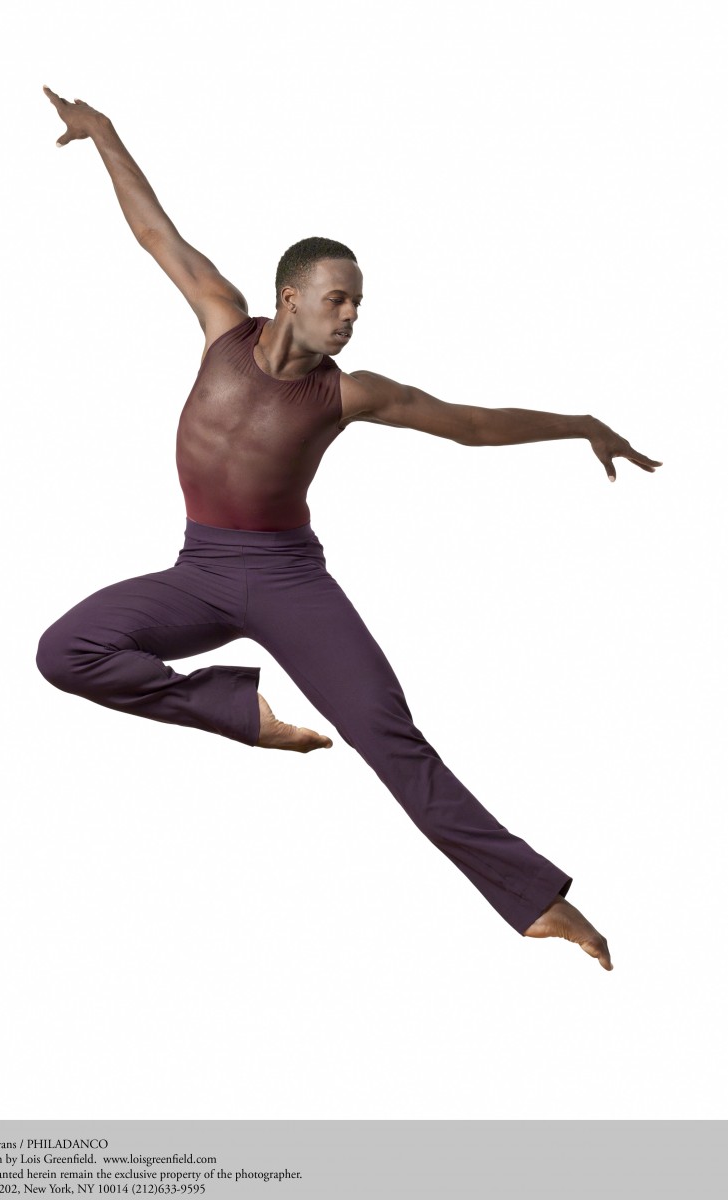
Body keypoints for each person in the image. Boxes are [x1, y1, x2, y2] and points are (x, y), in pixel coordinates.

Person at [37, 87, 662, 970]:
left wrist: (580, 424)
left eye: (358, 305)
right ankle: (238, 714)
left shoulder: (349, 393)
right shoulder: (221, 321)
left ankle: (537, 902)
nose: (351, 317)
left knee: (387, 734)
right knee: (65, 651)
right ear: (289, 298)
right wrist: (104, 133)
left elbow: (471, 424)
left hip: (287, 580)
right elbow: (153, 233)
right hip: (200, 569)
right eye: (337, 301)